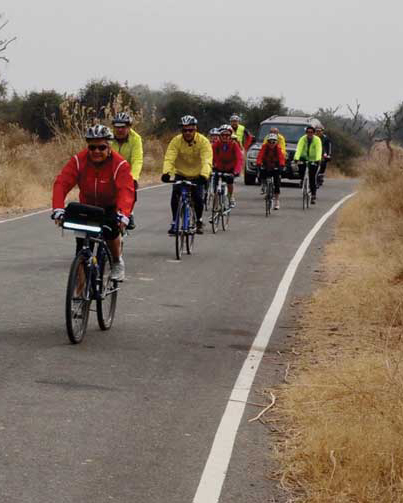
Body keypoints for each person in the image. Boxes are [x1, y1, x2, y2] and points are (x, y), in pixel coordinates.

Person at [52, 125, 134, 281]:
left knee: (111, 230)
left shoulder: (120, 164)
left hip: (110, 207)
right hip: (88, 207)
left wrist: (123, 214)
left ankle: (117, 261)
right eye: (92, 147)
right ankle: (80, 295)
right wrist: (58, 209)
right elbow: (61, 183)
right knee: (82, 250)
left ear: (109, 147)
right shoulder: (78, 161)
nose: (96, 151)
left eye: (101, 147)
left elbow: (126, 190)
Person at [161, 115, 212, 235]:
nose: (188, 133)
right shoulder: (176, 141)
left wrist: (204, 175)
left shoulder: (203, 141)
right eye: (184, 130)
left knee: (198, 198)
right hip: (181, 173)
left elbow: (207, 159)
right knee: (175, 196)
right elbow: (169, 158)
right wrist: (166, 173)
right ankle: (174, 221)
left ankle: (199, 221)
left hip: (198, 175)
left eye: (190, 130)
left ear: (196, 129)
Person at [111, 112, 143, 228]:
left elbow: (137, 160)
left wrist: (133, 178)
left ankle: (129, 213)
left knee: (131, 191)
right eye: (117, 127)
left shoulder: (136, 139)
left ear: (129, 127)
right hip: (109, 171)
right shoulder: (108, 138)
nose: (119, 130)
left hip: (126, 172)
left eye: (123, 127)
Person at [212, 125, 243, 207]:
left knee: (229, 183)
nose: (225, 137)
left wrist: (236, 170)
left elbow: (239, 158)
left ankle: (231, 196)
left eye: (227, 135)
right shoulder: (216, 144)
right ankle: (215, 208)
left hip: (230, 168)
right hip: (218, 167)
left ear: (230, 136)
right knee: (215, 189)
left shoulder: (234, 144)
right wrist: (211, 166)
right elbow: (211, 156)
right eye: (223, 135)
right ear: (220, 136)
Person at [256, 133, 285, 210]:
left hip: (275, 166)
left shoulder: (278, 148)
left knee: (277, 183)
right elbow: (260, 156)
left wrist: (281, 166)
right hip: (266, 165)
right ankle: (264, 185)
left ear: (276, 142)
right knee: (261, 174)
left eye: (273, 142)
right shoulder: (264, 147)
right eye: (270, 142)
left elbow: (281, 158)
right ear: (267, 142)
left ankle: (277, 201)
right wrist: (258, 164)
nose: (271, 143)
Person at [294, 126, 322, 204]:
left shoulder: (317, 140)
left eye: (311, 132)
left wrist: (318, 159)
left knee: (312, 177)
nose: (309, 134)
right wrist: (296, 158)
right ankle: (303, 179)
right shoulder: (302, 139)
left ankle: (313, 195)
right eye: (308, 132)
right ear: (306, 133)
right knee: (301, 172)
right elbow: (299, 149)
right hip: (303, 158)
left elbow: (319, 150)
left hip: (313, 159)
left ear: (314, 133)